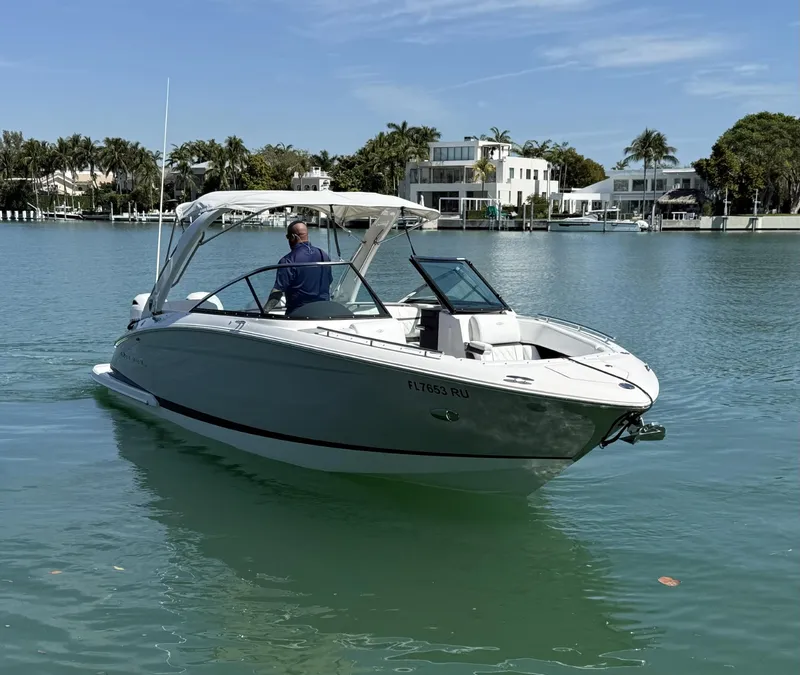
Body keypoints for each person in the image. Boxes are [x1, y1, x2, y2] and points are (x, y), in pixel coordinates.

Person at [264, 220, 333, 315]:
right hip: (325, 312)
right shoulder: (323, 255)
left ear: (293, 237)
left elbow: (277, 293)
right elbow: (329, 280)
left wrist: (264, 312)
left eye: (287, 237)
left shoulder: (288, 261)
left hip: (298, 314)